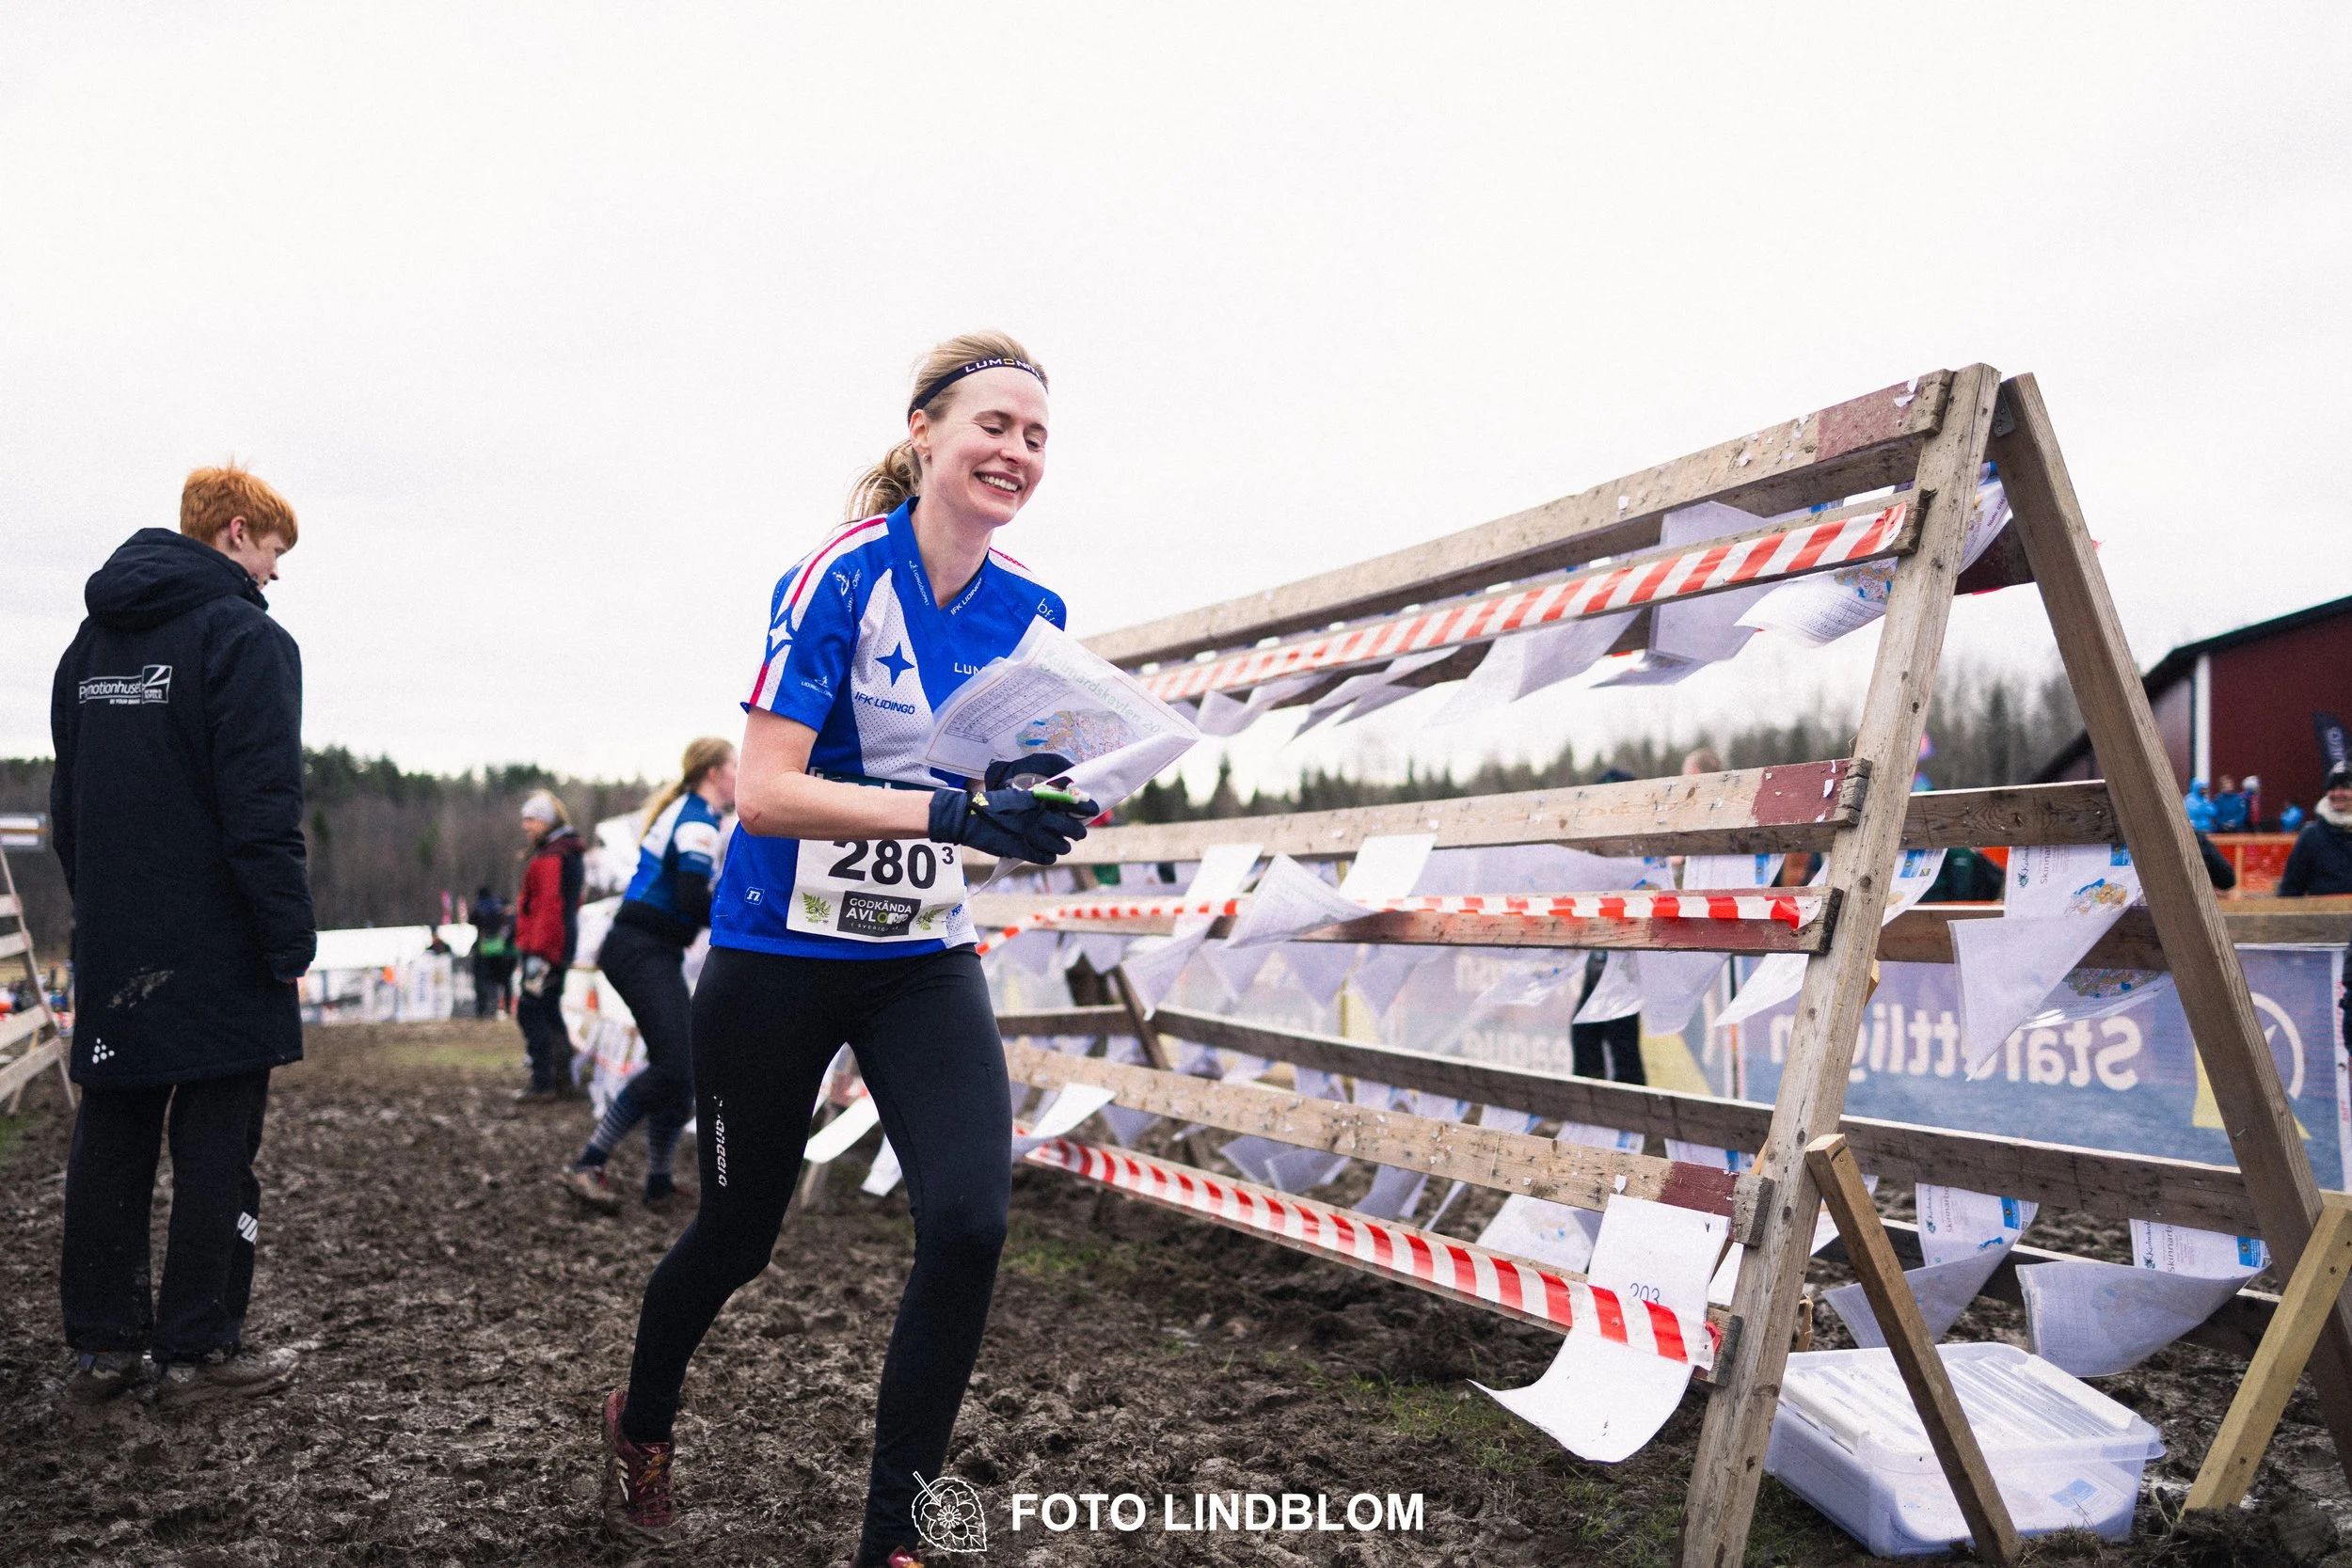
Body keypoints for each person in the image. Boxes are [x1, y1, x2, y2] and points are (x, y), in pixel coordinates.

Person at [597, 332, 1096, 1563]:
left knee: (971, 1222)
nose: (1017, 451)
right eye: (994, 424)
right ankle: (642, 1418)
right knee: (739, 1236)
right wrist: (951, 812)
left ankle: (894, 1536)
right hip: (777, 953)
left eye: (1037, 435)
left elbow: (998, 782)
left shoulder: (1035, 609)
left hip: (922, 954)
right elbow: (766, 792)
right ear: (924, 431)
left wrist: (1035, 809)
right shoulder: (839, 576)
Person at [48, 462, 315, 1407]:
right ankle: (197, 1349)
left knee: (111, 1135)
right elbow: (262, 808)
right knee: (215, 1146)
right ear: (237, 531)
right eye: (275, 551)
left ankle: (103, 1346)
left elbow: (67, 806)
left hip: (116, 940)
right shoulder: (246, 638)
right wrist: (288, 938)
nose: (276, 573)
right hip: (220, 943)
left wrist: (101, 909)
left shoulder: (88, 645)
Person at [561, 738, 738, 1213]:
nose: (740, 776)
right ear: (714, 773)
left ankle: (658, 1182)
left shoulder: (694, 812)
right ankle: (588, 1162)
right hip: (641, 950)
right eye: (734, 767)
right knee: (675, 1066)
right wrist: (742, 915)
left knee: (683, 1067)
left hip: (646, 949)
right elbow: (690, 898)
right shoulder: (697, 820)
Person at [512, 791, 585, 1101]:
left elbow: (549, 907)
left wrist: (538, 951)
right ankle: (562, 1079)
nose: (525, 826)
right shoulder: (565, 852)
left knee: (531, 1010)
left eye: (531, 819)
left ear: (546, 821)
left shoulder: (552, 857)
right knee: (548, 1009)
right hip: (557, 945)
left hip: (545, 949)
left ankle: (544, 1082)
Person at [2278, 762, 2352, 896]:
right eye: (2332, 788)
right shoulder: (2311, 836)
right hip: (2324, 910)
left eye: (2345, 787)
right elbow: (2290, 890)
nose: (2337, 793)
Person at [469, 885, 514, 1018]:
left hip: (484, 948)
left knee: (484, 979)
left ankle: (484, 1008)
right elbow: (507, 923)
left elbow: (472, 920)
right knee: (501, 980)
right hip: (499, 948)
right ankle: (498, 1006)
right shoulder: (498, 905)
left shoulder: (480, 906)